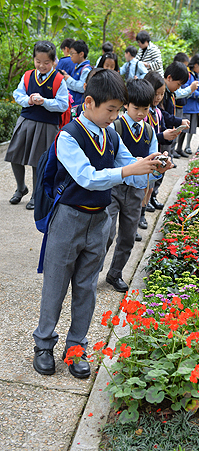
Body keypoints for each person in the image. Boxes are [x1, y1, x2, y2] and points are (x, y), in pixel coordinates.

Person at [32, 69, 172, 379]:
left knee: (86, 289)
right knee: (55, 286)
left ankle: (76, 349)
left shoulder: (111, 136)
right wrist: (129, 170)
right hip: (67, 219)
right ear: (90, 103)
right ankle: (43, 345)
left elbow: (131, 172)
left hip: (99, 221)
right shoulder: (69, 135)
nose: (115, 116)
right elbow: (87, 177)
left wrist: (153, 168)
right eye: (111, 109)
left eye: (118, 110)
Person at [101, 78, 171, 292]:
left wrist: (160, 164)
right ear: (125, 105)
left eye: (145, 108)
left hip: (136, 191)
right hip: (113, 187)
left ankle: (115, 273)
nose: (141, 113)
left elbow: (153, 161)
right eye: (136, 108)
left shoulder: (149, 131)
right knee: (106, 232)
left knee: (128, 235)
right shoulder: (115, 127)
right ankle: (90, 270)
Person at [5, 40, 69, 210]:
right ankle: (21, 188)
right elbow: (18, 94)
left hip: (47, 125)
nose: (41, 65)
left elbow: (63, 104)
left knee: (37, 162)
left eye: (46, 62)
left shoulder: (59, 80)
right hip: (26, 121)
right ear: (33, 59)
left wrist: (45, 102)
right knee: (14, 156)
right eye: (38, 61)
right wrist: (28, 100)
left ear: (54, 60)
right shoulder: (27, 76)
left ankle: (36, 195)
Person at [140, 70, 182, 228]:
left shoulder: (157, 112)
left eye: (161, 94)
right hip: (145, 156)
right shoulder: (143, 114)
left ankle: (143, 212)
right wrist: (162, 135)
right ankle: (138, 216)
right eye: (156, 94)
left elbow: (162, 129)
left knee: (150, 187)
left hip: (156, 153)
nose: (158, 98)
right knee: (143, 188)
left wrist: (168, 135)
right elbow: (146, 137)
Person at [176, 53, 199, 157]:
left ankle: (180, 148)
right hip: (188, 107)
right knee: (182, 129)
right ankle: (176, 149)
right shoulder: (189, 75)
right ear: (196, 65)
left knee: (187, 130)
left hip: (194, 107)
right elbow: (187, 89)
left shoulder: (195, 75)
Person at [61, 39, 92, 106]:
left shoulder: (86, 69)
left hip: (79, 105)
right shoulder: (77, 67)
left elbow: (82, 87)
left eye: (72, 53)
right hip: (73, 103)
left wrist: (68, 79)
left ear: (81, 54)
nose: (70, 56)